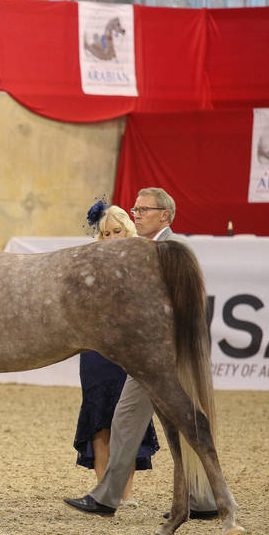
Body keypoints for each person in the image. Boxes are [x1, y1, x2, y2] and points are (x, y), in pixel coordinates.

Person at [64, 187, 217, 518]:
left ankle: (108, 497)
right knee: (175, 421)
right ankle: (202, 500)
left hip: (159, 355)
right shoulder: (150, 249)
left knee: (131, 418)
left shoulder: (170, 249)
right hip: (153, 354)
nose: (136, 214)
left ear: (164, 214)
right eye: (135, 209)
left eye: (143, 210)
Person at [72, 203, 159, 506]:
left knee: (128, 421)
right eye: (105, 233)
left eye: (116, 231)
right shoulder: (89, 263)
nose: (110, 238)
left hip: (129, 351)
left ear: (128, 230)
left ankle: (125, 493)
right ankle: (102, 490)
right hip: (96, 350)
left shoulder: (142, 259)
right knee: (99, 422)